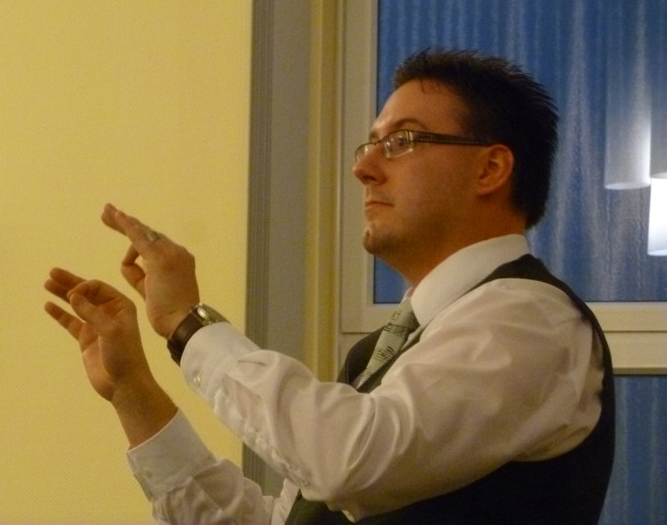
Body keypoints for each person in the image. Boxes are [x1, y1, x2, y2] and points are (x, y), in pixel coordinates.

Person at [44, 49, 615, 524]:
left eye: (403, 141)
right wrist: (133, 391)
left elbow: (349, 460)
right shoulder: (379, 353)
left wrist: (189, 326)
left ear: (489, 170)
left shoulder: (530, 318)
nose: (364, 168)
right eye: (371, 145)